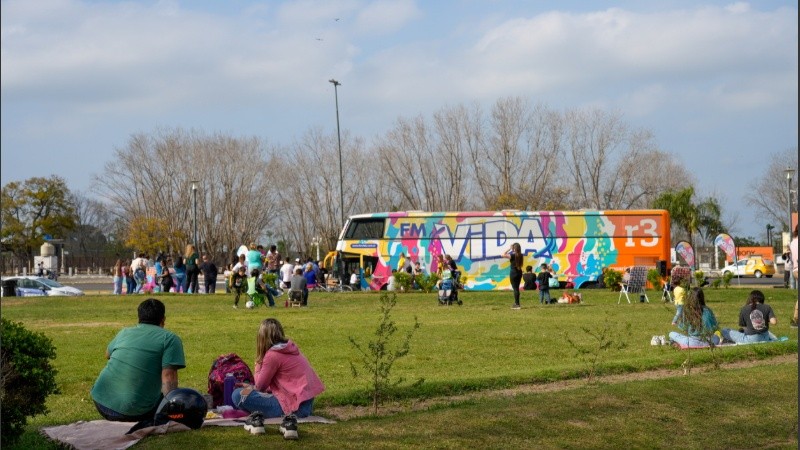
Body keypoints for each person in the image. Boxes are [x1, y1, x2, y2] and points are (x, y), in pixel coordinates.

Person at [90, 298, 186, 421]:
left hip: (100, 402)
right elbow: (168, 377)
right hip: (133, 411)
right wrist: (171, 406)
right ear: (163, 319)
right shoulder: (170, 339)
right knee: (183, 398)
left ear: (139, 317)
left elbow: (107, 354)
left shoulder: (124, 332)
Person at [231, 318, 325, 440]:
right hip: (305, 405)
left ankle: (257, 416)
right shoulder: (290, 348)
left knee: (237, 395)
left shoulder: (272, 355)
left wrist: (258, 362)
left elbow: (260, 386)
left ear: (262, 338)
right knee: (249, 392)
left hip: (292, 409)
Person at [503, 243, 523, 309]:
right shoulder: (521, 255)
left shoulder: (512, 255)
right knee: (517, 288)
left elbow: (502, 254)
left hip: (513, 273)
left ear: (514, 248)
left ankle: (517, 304)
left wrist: (509, 249)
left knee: (515, 289)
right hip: (519, 272)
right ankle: (517, 303)